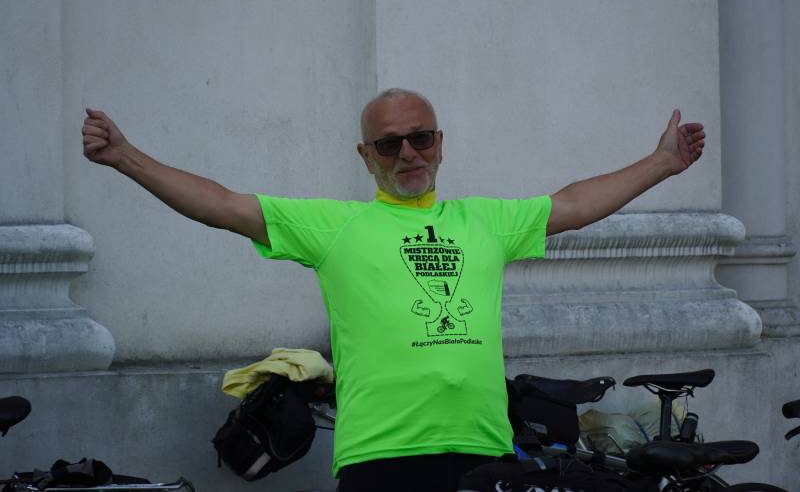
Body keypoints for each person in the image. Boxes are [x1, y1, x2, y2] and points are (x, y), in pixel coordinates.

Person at [81, 88, 705, 491]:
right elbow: (222, 205)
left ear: (440, 145)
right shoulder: (336, 227)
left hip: (484, 452)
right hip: (380, 459)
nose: (408, 152)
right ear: (367, 156)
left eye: (420, 137)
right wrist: (126, 156)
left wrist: (661, 164)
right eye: (389, 144)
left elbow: (572, 204)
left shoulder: (487, 221)